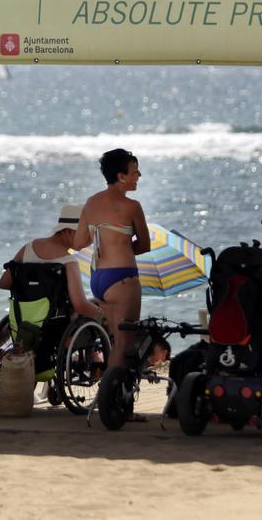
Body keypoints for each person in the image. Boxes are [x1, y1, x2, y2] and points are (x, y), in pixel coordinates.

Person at [74, 148, 151, 369]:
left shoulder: (91, 203)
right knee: (123, 344)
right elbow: (145, 245)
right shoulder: (132, 207)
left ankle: (102, 379)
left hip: (98, 277)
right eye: (135, 172)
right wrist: (124, 247)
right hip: (122, 278)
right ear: (121, 176)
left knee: (110, 337)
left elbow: (79, 242)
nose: (139, 176)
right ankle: (110, 395)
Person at [0, 203, 102, 320]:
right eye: (87, 235)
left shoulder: (28, 248)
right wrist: (104, 316)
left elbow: (3, 283)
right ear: (68, 231)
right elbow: (80, 306)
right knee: (98, 308)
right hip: (55, 325)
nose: (90, 242)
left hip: (25, 321)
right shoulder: (69, 262)